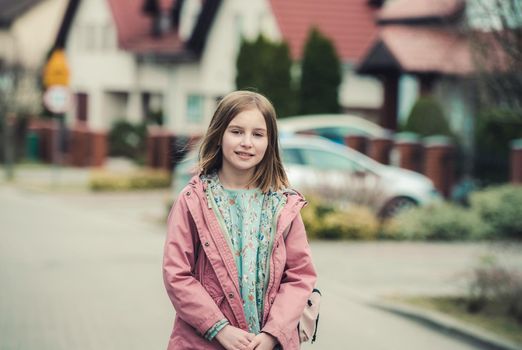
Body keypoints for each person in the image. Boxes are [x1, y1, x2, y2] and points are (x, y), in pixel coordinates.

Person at [163, 91, 317, 350]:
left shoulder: (284, 205)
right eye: (236, 132)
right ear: (219, 134)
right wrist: (219, 329)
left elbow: (300, 276)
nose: (247, 142)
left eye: (258, 134)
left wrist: (272, 334)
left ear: (270, 142)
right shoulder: (194, 200)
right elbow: (177, 274)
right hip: (205, 342)